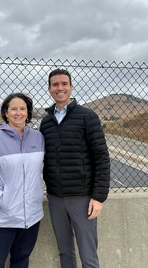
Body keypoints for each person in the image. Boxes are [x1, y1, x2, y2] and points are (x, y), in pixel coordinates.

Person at [40, 69, 111, 268]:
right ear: (49, 89)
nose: (60, 88)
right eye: (55, 85)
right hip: (55, 197)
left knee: (88, 256)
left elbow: (101, 157)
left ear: (71, 87)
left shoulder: (87, 117)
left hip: (83, 198)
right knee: (65, 252)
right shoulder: (46, 122)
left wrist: (98, 196)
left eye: (64, 84)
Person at [0, 92, 45, 268]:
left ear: (28, 112)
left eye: (23, 109)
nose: (18, 113)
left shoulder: (38, 138)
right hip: (1, 218)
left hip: (31, 217)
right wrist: (1, 199)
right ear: (6, 112)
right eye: (13, 109)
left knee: (21, 262)